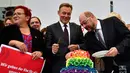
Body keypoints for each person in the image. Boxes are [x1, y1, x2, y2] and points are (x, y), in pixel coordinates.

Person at [45, 3, 84, 73]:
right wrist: (53, 50)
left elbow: (84, 44)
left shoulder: (77, 28)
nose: (66, 16)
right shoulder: (51, 28)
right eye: (64, 13)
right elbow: (46, 47)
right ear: (58, 13)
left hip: (75, 66)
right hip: (57, 66)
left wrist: (77, 46)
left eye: (68, 14)